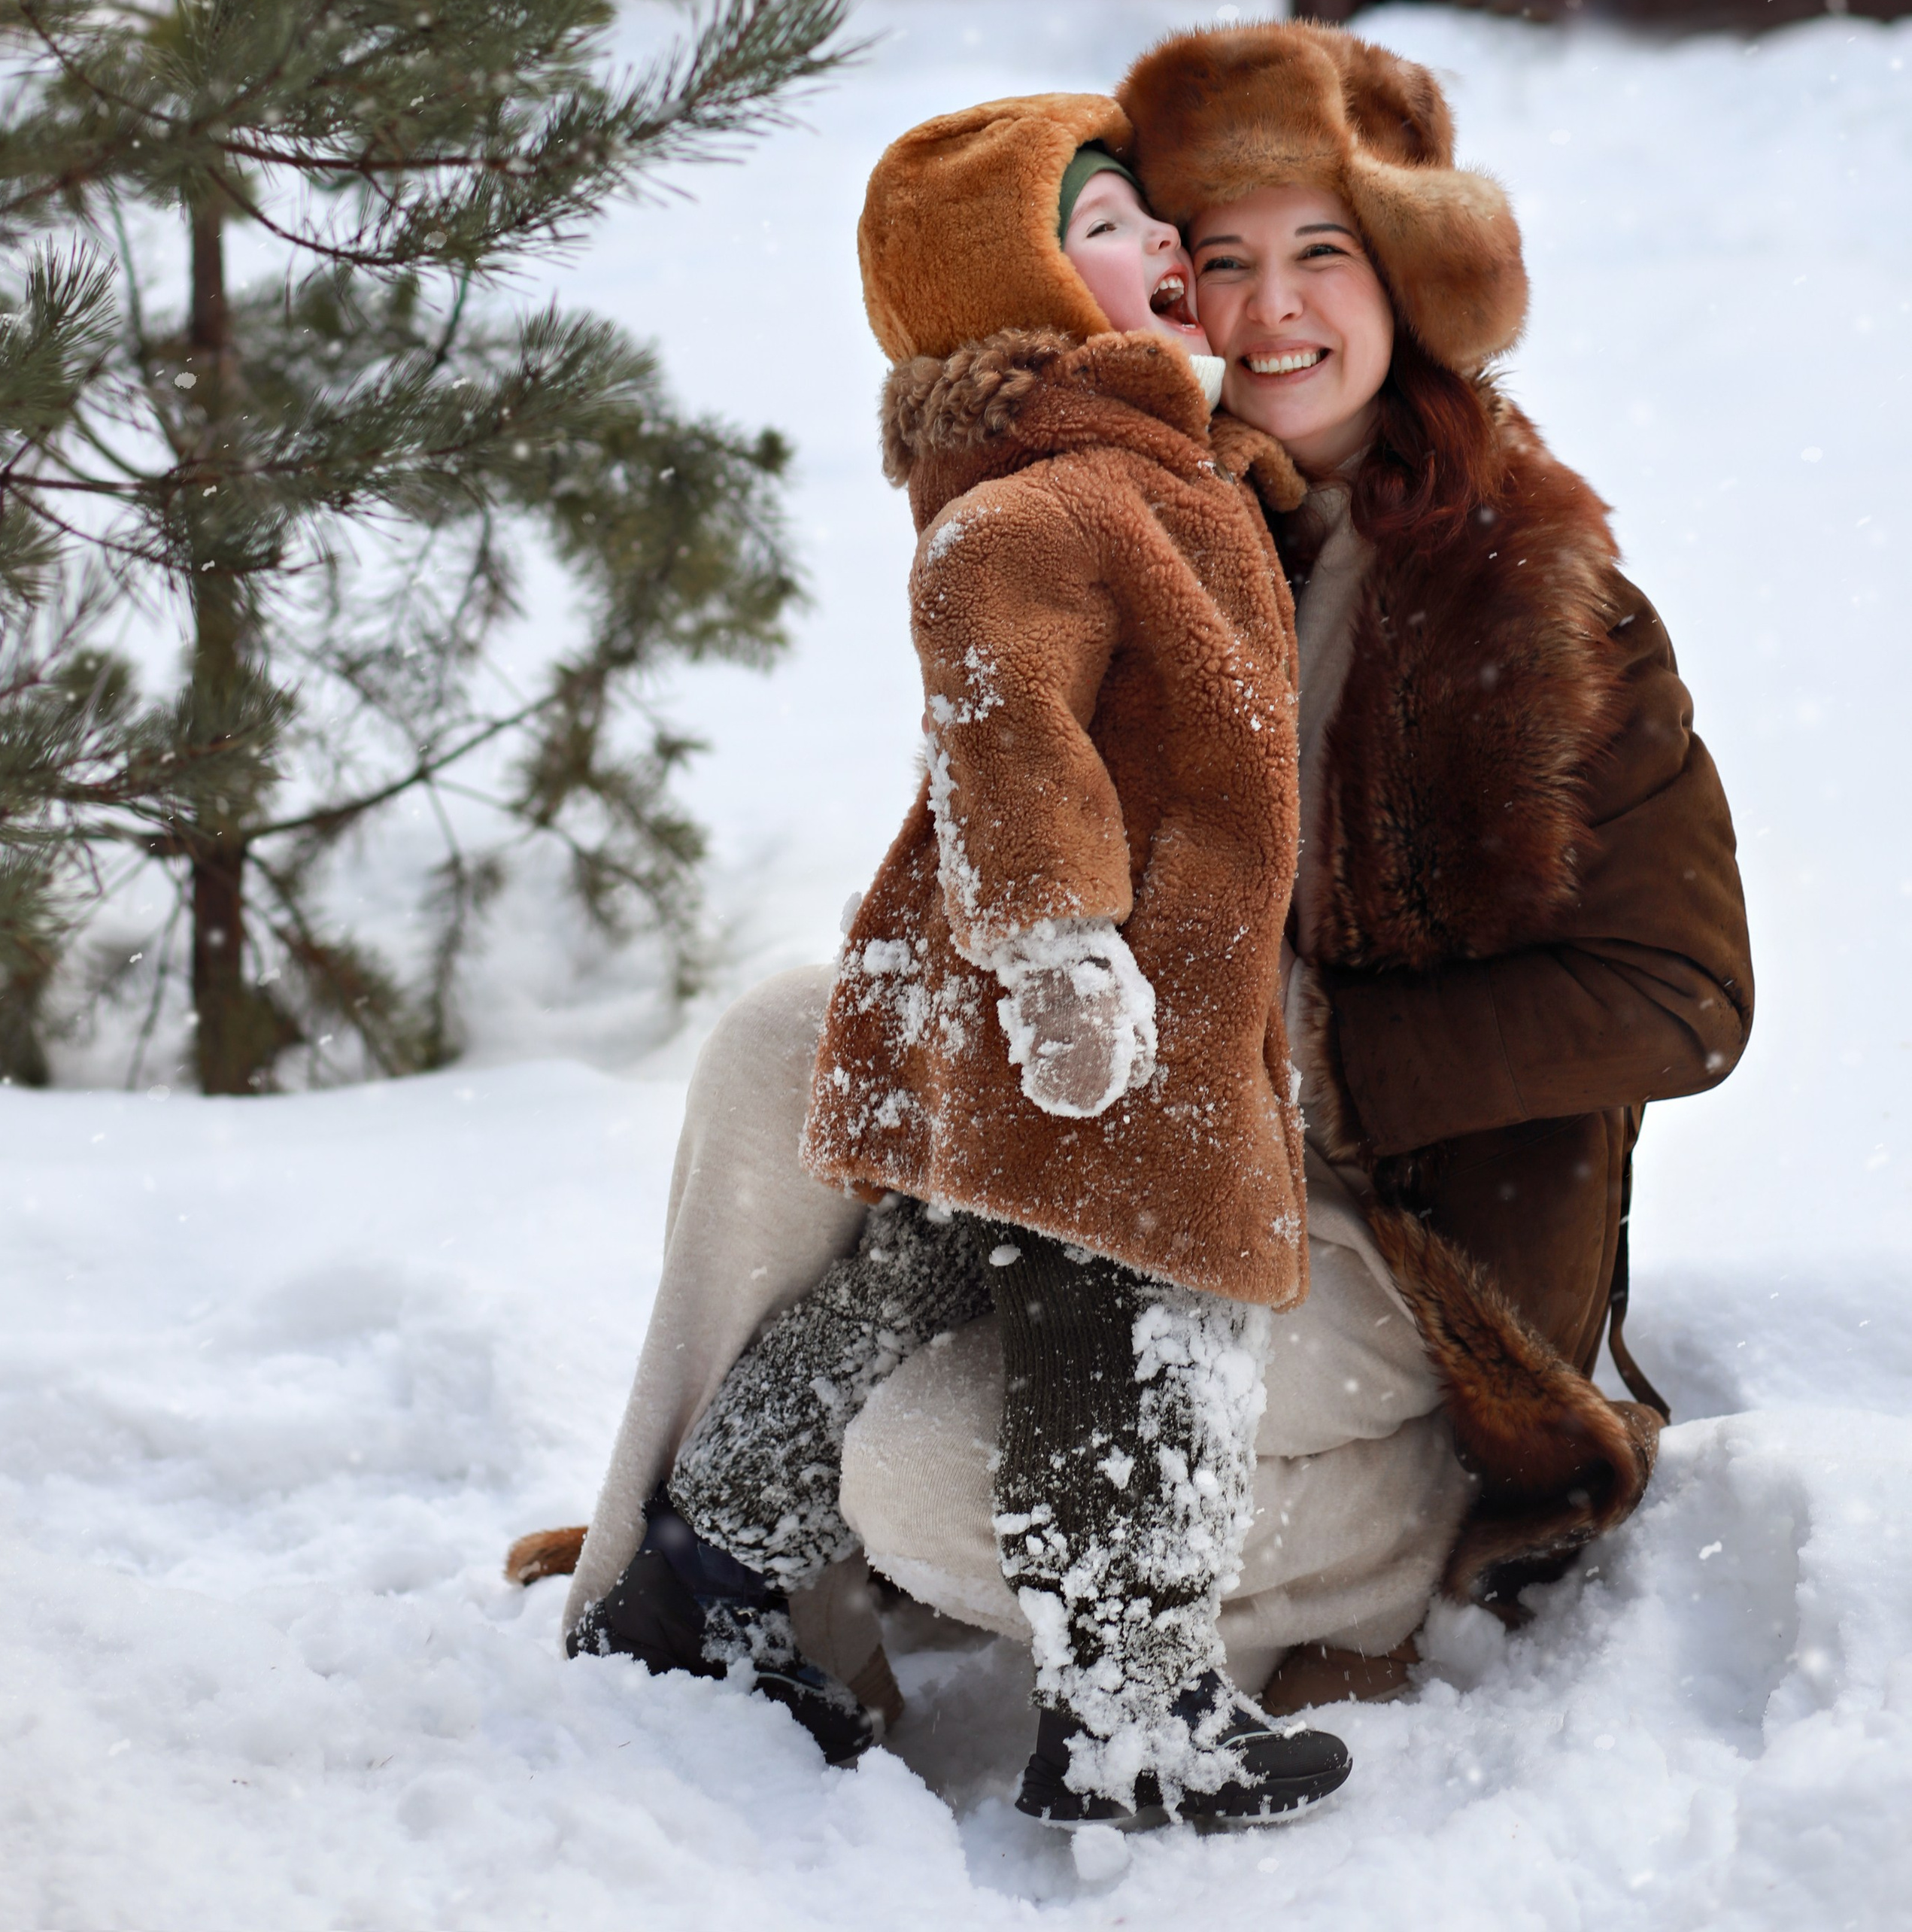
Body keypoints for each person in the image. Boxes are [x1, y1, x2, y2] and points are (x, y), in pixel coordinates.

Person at [532, 25, 1751, 1812]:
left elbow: (1681, 995)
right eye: (1220, 255)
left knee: (925, 1466)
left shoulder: (1536, 599)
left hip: (1389, 1238)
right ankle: (694, 1597)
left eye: (1318, 254)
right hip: (1145, 1143)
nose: (1264, 310)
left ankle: (1273, 1593)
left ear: (1403, 281)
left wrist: (1304, 1056)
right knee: (787, 1041)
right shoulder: (1154, 510)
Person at [560, 89, 1353, 1830]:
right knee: (1138, 1328)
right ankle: (1127, 1706)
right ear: (1012, 296)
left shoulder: (1156, 472)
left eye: (1151, 220)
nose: (1161, 249)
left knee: (917, 1273)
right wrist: (1061, 957)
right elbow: (1006, 737)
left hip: (1048, 1001)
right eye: (1106, 229)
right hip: (1087, 1015)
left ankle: (702, 1566)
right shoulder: (1041, 508)